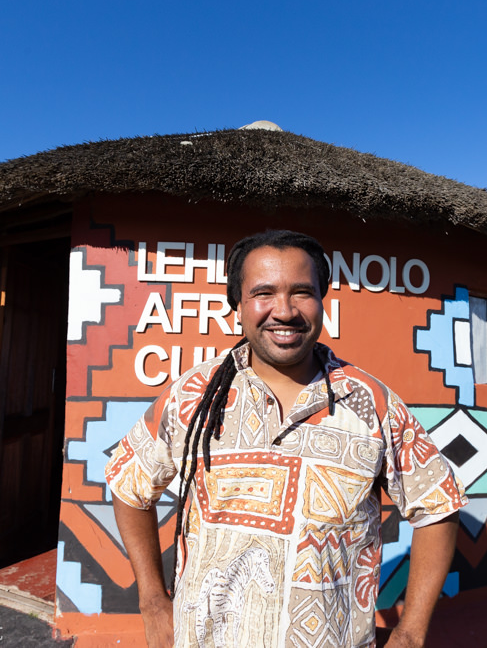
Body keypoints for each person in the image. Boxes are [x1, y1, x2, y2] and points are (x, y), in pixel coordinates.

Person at [106, 230, 467, 648]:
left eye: (301, 292)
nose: (284, 310)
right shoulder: (192, 396)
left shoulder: (371, 403)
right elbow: (128, 482)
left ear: (322, 300)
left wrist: (410, 633)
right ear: (237, 304)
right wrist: (152, 601)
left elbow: (438, 504)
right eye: (263, 293)